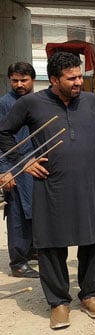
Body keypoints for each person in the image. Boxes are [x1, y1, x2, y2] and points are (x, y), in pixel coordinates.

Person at [0, 52, 95, 329]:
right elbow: (4, 132)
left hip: (89, 182)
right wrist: (24, 160)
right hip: (50, 184)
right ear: (54, 79)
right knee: (50, 243)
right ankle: (58, 302)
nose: (78, 82)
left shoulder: (93, 102)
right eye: (72, 78)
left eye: (80, 76)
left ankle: (91, 295)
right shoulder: (31, 103)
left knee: (93, 240)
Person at [0, 62, 39, 278]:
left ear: (32, 80)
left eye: (23, 80)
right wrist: (4, 171)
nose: (19, 84)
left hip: (35, 165)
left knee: (35, 211)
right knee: (17, 215)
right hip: (14, 168)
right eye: (15, 80)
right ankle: (18, 262)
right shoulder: (5, 104)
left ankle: (32, 250)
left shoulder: (37, 102)